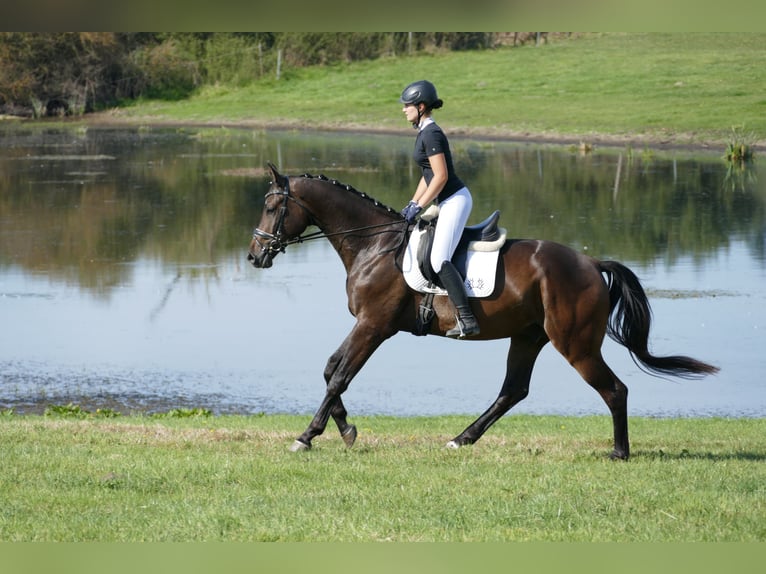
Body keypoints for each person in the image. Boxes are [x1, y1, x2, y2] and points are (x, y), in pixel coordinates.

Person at [399, 80, 480, 338]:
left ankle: (467, 319)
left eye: (408, 106)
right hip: (444, 201)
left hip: (455, 199)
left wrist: (421, 205)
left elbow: (441, 176)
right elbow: (427, 174)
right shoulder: (423, 132)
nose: (404, 110)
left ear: (421, 107)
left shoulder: (432, 134)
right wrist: (413, 203)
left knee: (438, 259)